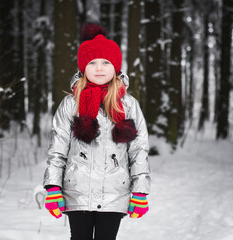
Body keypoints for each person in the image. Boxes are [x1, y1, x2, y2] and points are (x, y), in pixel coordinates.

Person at [43, 23, 151, 240]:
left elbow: (138, 150)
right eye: (92, 62)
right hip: (77, 191)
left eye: (105, 62)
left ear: (116, 67)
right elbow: (58, 149)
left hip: (114, 191)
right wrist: (53, 186)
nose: (99, 68)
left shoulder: (127, 105)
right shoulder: (70, 104)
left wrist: (140, 189)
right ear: (83, 67)